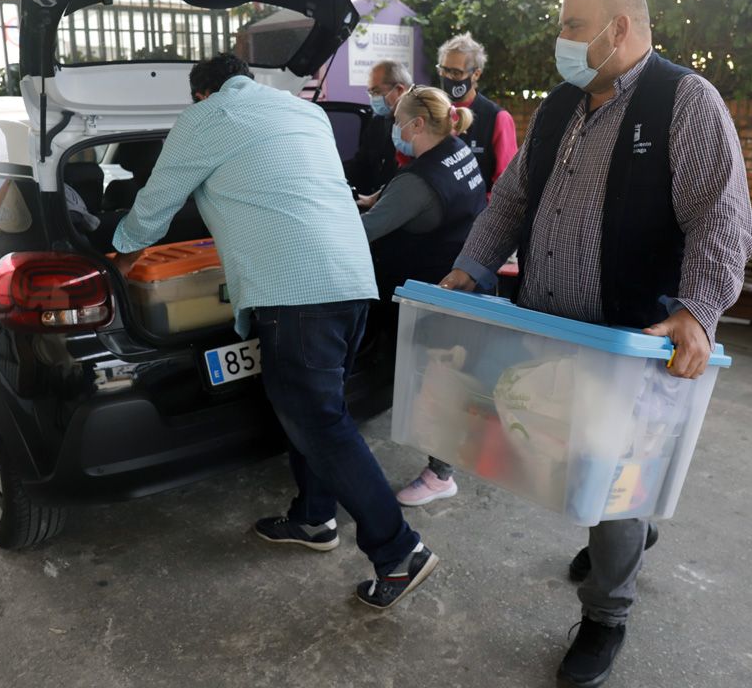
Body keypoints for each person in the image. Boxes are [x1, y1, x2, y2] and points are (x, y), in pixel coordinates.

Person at [439, 0, 752, 686]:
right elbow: (512, 198)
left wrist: (699, 311)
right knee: (574, 453)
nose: (562, 41)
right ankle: (632, 528)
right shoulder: (560, 105)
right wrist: (472, 266)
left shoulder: (684, 100)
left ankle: (606, 613)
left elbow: (721, 216)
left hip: (632, 340)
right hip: (554, 330)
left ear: (620, 28)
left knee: (615, 479)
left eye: (574, 26)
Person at [111, 53, 438, 609]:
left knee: (322, 424)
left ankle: (398, 551)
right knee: (320, 413)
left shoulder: (206, 119)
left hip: (297, 292)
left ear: (201, 95)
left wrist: (115, 247)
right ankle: (314, 519)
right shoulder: (303, 114)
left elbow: (156, 205)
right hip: (353, 279)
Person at [357, 86, 489, 506]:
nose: (394, 131)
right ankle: (444, 464)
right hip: (459, 282)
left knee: (435, 383)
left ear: (416, 124)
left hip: (431, 293)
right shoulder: (458, 149)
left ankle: (440, 475)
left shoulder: (419, 180)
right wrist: (380, 197)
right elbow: (407, 193)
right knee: (446, 378)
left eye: (397, 123)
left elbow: (365, 231)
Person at [436, 33, 519, 189]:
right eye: (443, 70)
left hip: (479, 211)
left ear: (476, 74)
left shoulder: (497, 118)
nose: (447, 77)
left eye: (456, 72)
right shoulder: (434, 112)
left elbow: (506, 184)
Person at [347, 60, 411, 199]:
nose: (373, 98)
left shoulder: (417, 127)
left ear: (400, 90)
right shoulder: (378, 122)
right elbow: (361, 164)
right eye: (370, 92)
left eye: (376, 91)